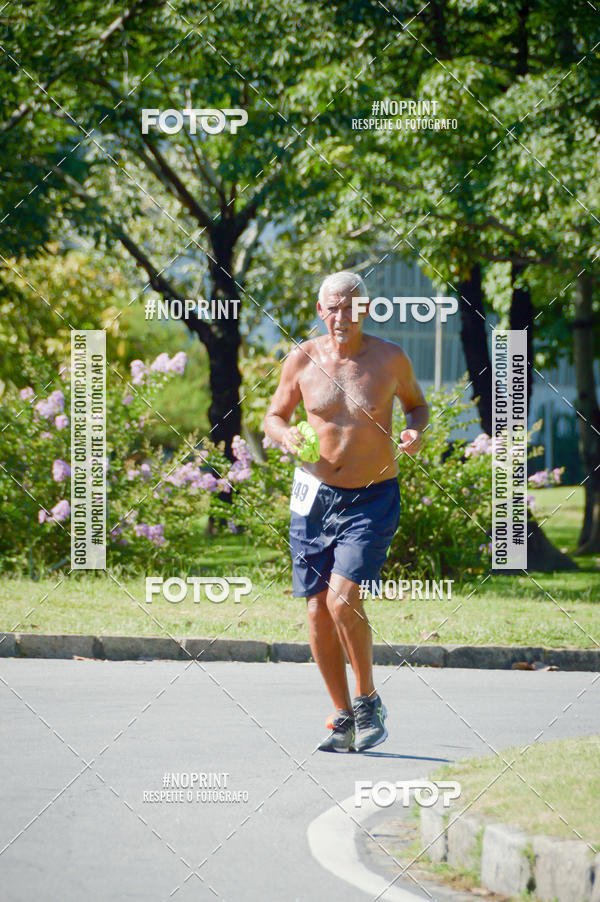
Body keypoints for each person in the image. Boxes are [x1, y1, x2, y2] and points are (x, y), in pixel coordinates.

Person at [263, 271, 429, 752]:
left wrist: (416, 431)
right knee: (316, 609)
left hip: (371, 496)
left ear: (366, 310)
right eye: (333, 307)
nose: (342, 316)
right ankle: (341, 716)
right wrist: (284, 434)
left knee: (341, 600)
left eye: (351, 306)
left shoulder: (388, 358)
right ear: (321, 311)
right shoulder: (302, 359)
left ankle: (367, 701)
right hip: (312, 497)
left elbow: (418, 407)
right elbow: (274, 415)